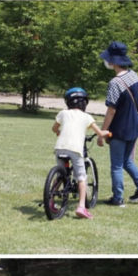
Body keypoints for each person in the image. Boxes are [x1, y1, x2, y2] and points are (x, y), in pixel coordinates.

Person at [97, 41, 138, 207]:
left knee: (117, 165)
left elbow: (111, 110)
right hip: (134, 126)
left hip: (119, 129)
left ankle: (118, 198)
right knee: (127, 161)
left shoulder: (115, 83)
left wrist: (103, 132)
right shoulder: (133, 75)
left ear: (112, 61)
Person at [52, 87, 112, 219]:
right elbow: (100, 133)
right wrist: (107, 132)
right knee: (81, 178)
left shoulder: (63, 113)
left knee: (61, 174)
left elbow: (54, 128)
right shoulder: (87, 117)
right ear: (85, 103)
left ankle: (51, 200)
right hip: (75, 150)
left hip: (60, 147)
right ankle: (81, 207)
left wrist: (58, 132)